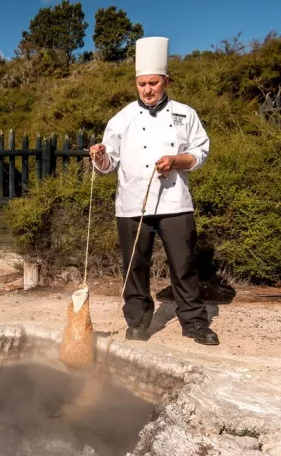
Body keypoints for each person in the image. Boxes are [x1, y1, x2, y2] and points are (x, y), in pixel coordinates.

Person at [89, 36, 219, 346]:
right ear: (136, 84)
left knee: (184, 264)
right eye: (142, 83)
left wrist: (177, 161)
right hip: (133, 204)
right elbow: (109, 164)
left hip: (176, 201)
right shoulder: (121, 119)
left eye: (154, 83)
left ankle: (194, 322)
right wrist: (99, 155)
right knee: (135, 265)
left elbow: (201, 152)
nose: (148, 89)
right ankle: (137, 322)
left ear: (166, 81)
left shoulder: (185, 114)